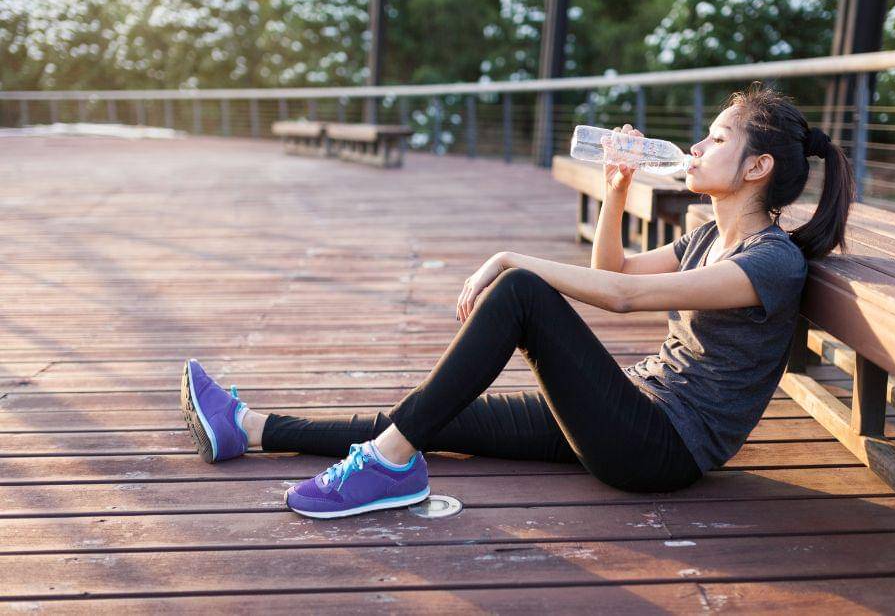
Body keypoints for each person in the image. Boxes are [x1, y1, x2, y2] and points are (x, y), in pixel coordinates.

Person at [180, 82, 854, 519]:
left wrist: (508, 258)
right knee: (434, 418)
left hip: (660, 449)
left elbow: (621, 296)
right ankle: (254, 426)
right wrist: (618, 187)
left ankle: (386, 465)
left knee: (524, 292)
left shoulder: (770, 261)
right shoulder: (708, 235)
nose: (699, 145)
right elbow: (613, 264)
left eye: (718, 138)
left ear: (758, 167)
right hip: (632, 408)